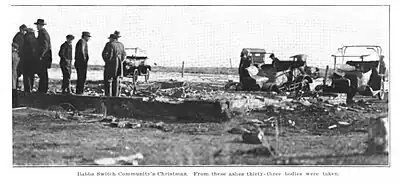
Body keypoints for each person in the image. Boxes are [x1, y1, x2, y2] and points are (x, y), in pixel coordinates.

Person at [35, 19, 52, 93]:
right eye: (37, 25)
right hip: (44, 57)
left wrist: (41, 55)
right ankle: (42, 89)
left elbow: (45, 46)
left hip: (44, 57)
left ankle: (42, 90)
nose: (37, 27)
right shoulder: (42, 33)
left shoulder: (43, 33)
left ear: (41, 25)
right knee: (43, 74)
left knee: (43, 74)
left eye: (38, 25)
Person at [21, 28, 38, 92]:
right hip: (33, 60)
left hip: (26, 59)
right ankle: (30, 88)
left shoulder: (26, 38)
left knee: (26, 75)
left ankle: (27, 89)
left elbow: (24, 49)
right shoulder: (35, 39)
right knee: (31, 74)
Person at [12, 43, 20, 107]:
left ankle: (15, 103)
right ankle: (16, 103)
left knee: (13, 89)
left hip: (12, 73)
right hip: (14, 73)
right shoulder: (17, 55)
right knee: (14, 88)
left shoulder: (13, 55)